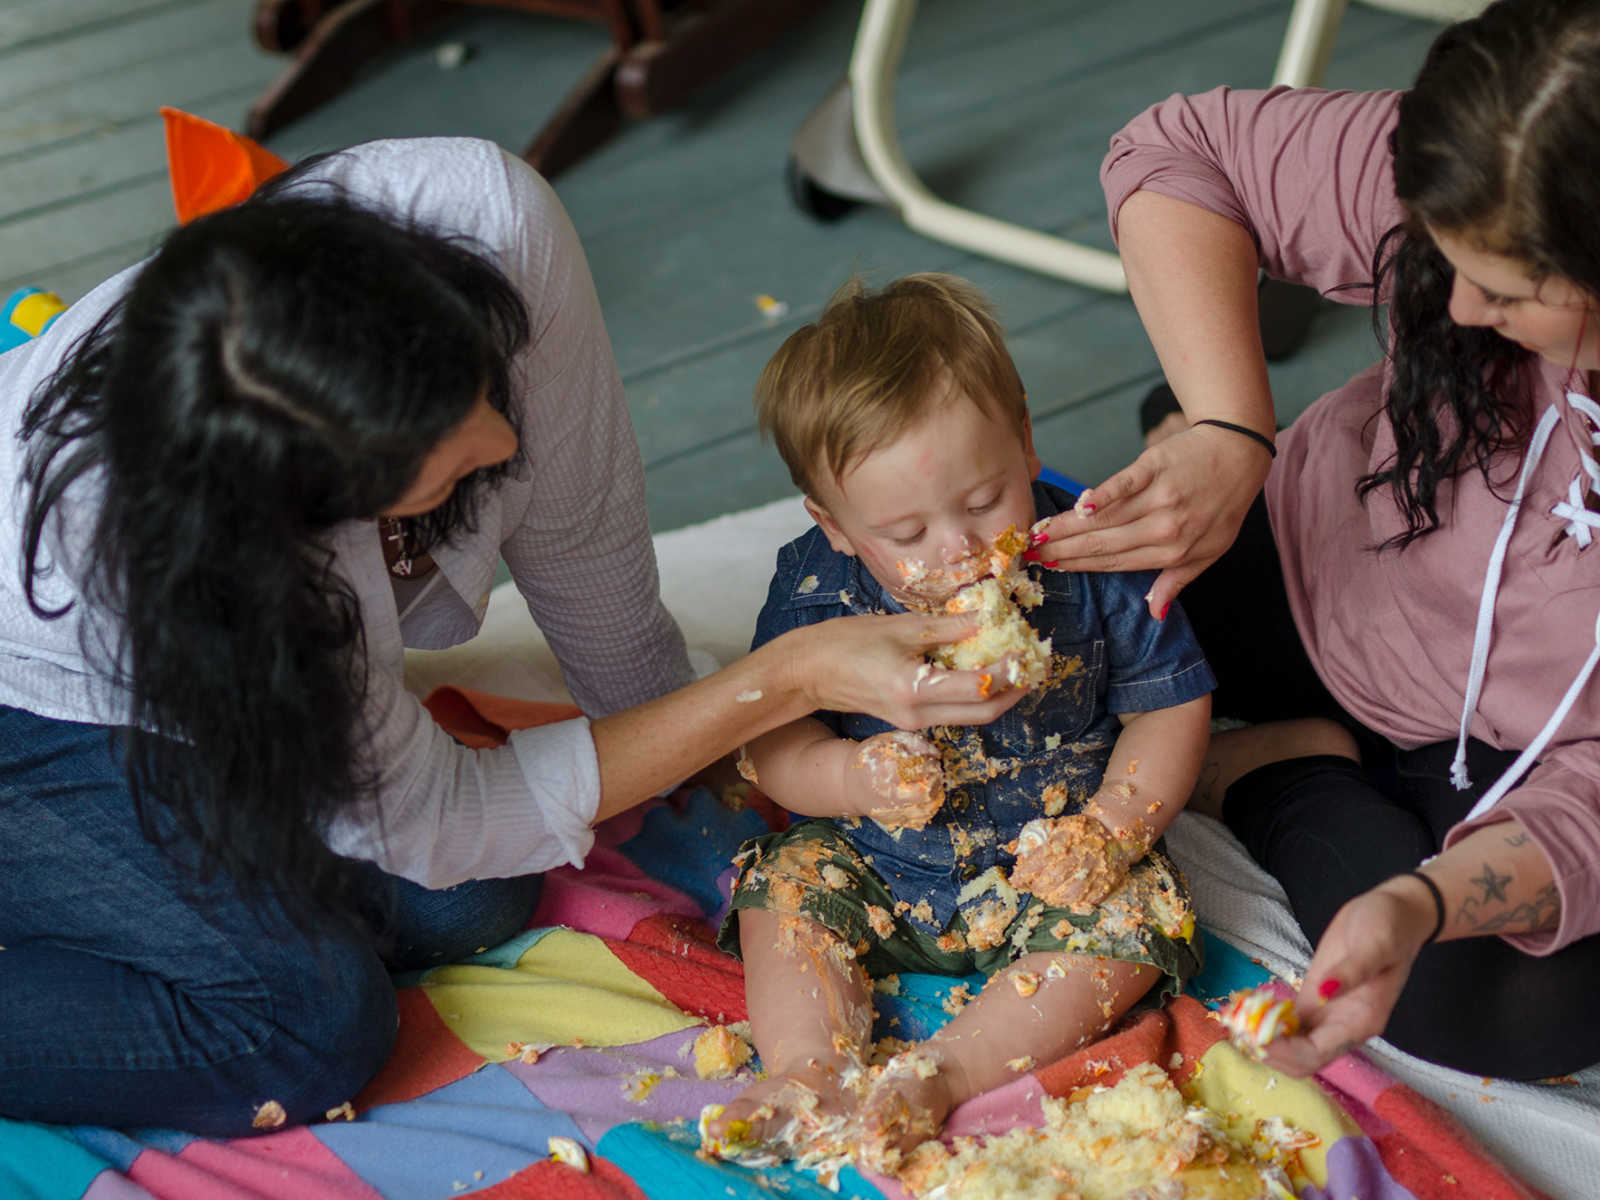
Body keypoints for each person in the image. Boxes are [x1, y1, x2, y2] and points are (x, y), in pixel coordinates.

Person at [0, 141, 1023, 1138]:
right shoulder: (196, 569)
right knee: (308, 1026)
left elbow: (577, 530)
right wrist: (784, 681)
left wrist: (695, 748)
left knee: (468, 906)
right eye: (446, 463)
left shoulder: (487, 215)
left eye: (482, 385)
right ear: (321, 505)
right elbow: (445, 812)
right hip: (36, 693)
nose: (501, 445)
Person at [1033, 0, 1600, 1080]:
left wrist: (1419, 901)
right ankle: (1192, 448)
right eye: (1449, 262)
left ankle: (1273, 775)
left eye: (1511, 290)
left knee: (1486, 1000)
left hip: (1539, 761)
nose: (1463, 311)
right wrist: (1228, 425)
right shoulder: (1519, 143)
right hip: (1321, 554)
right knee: (986, 611)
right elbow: (1175, 148)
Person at [703, 274, 1214, 1171]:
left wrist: (1112, 826)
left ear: (1023, 438)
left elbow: (1170, 706)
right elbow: (773, 741)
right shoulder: (818, 591)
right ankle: (810, 1068)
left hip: (1053, 864)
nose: (959, 548)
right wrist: (850, 779)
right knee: (784, 885)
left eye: (984, 502)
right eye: (903, 531)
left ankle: (943, 1072)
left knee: (1140, 921)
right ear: (835, 527)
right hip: (875, 859)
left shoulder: (1094, 558)